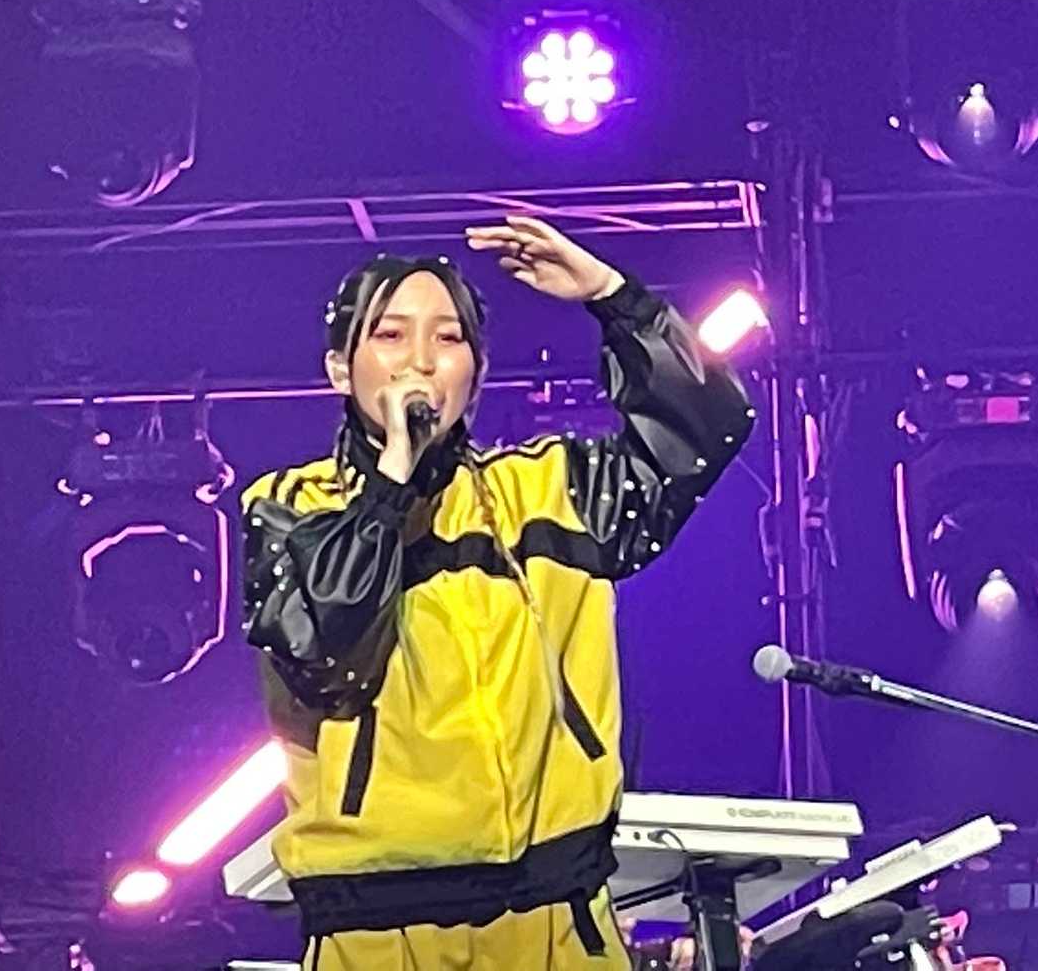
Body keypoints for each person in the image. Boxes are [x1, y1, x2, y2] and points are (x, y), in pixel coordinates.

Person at [240, 216, 755, 969]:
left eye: (448, 339)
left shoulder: (548, 491)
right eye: (390, 335)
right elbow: (325, 650)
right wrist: (392, 481)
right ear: (340, 370)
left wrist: (613, 297)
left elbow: (709, 425)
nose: (421, 360)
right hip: (380, 932)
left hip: (559, 922)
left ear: (475, 375)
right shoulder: (291, 507)